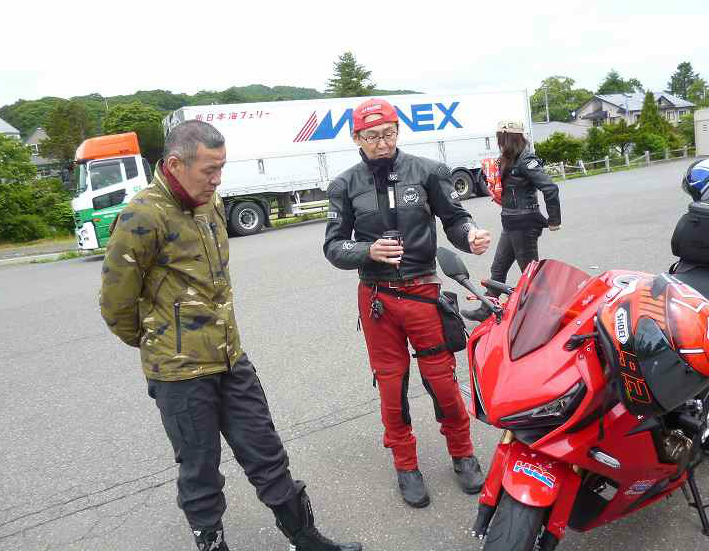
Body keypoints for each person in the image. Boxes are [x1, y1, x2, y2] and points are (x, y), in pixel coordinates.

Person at [100, 120, 361, 551]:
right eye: (209, 170)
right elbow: (116, 305)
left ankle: (305, 538)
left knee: (267, 452)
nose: (218, 179)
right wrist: (164, 343)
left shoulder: (211, 204)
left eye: (221, 168)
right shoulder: (141, 217)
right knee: (200, 471)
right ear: (175, 165)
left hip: (230, 359)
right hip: (180, 375)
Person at [323, 98, 492, 508]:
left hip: (422, 292)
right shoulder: (344, 185)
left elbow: (455, 219)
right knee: (391, 385)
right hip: (377, 299)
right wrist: (366, 251)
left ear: (398, 131)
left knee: (442, 381)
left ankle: (463, 453)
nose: (382, 143)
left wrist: (469, 235)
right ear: (356, 138)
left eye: (389, 134)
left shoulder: (428, 171)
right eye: (372, 136)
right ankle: (405, 464)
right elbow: (333, 246)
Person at [469, 120, 561, 320]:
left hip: (524, 222)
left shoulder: (526, 159)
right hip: (510, 221)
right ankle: (487, 309)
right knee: (498, 268)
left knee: (531, 273)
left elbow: (550, 188)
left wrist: (554, 220)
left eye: (501, 139)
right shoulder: (507, 159)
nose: (499, 143)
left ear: (509, 139)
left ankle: (549, 314)